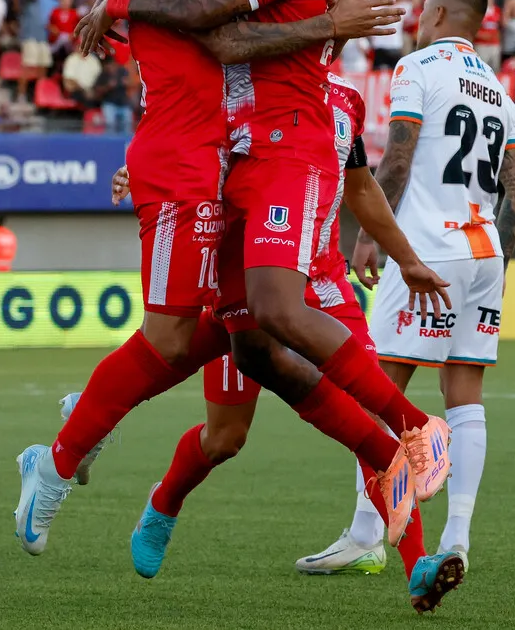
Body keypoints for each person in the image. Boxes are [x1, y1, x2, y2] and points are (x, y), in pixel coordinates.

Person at [13, 0, 418, 558]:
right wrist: (328, 20)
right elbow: (216, 29)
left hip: (218, 173)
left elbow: (214, 34)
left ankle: (398, 477)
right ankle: (56, 458)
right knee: (177, 338)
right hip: (182, 167)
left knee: (235, 334)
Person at [109, 72, 465, 612]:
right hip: (255, 286)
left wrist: (409, 259)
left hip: (323, 285)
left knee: (369, 424)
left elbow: (361, 188)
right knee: (225, 437)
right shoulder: (244, 90)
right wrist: (147, 174)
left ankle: (418, 567)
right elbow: (194, 160)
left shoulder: (344, 101)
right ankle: (164, 502)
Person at [298, 0, 515, 576]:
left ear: (440, 13)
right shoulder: (499, 94)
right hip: (483, 256)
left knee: (380, 388)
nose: (416, 22)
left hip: (427, 252)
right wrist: (498, 264)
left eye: (423, 11)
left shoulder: (418, 69)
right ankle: (457, 537)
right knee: (466, 397)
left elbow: (397, 158)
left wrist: (375, 236)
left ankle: (365, 533)